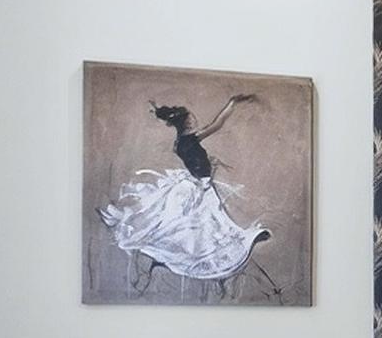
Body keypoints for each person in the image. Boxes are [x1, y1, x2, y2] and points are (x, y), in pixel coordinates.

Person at [98, 95, 281, 297]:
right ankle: (214, 271)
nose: (195, 121)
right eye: (192, 120)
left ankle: (213, 273)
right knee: (209, 232)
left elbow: (196, 161)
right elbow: (217, 124)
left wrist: (208, 164)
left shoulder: (180, 142)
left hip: (199, 185)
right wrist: (232, 103)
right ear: (186, 124)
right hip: (200, 189)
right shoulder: (191, 139)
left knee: (208, 231)